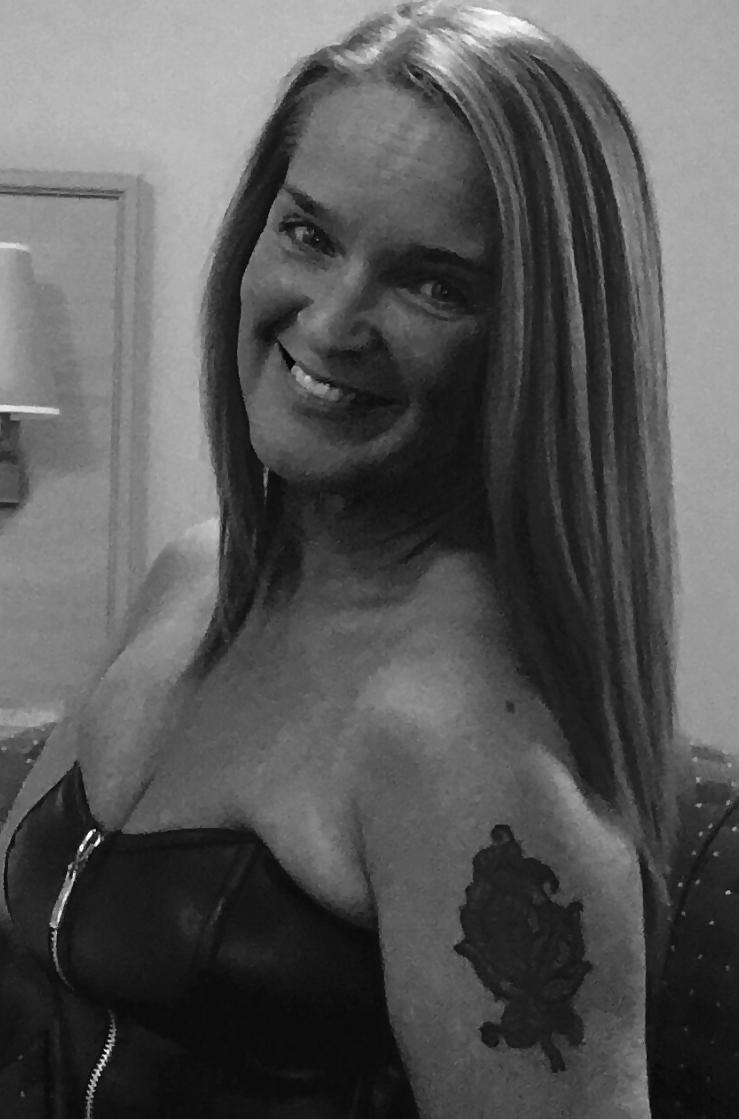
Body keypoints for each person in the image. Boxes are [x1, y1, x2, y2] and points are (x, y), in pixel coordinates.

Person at [0, 1, 687, 1115]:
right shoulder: (198, 576)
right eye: (309, 235)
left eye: (432, 283)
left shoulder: (466, 744)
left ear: (532, 344)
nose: (328, 324)